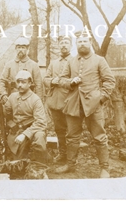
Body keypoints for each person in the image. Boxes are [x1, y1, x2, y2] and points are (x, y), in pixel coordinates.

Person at [55, 31, 116, 178]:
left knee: (99, 136)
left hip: (94, 106)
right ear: (76, 45)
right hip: (74, 105)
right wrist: (71, 82)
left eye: (84, 41)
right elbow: (61, 80)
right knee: (72, 136)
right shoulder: (71, 61)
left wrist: (101, 98)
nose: (82, 44)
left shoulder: (99, 60)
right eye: (79, 42)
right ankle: (70, 164)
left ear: (89, 43)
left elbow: (110, 81)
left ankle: (104, 168)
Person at [4, 70, 48, 164]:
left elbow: (41, 122)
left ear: (30, 83)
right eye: (18, 82)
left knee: (39, 138)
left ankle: (40, 166)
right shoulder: (12, 96)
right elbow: (6, 113)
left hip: (33, 130)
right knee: (17, 162)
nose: (20, 85)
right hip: (17, 130)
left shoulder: (35, 99)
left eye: (23, 82)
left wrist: (25, 134)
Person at [43, 35, 73, 164]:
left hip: (69, 102)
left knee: (71, 131)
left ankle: (71, 157)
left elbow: (77, 80)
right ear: (59, 45)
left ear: (71, 45)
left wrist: (62, 81)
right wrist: (52, 81)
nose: (64, 45)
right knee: (59, 129)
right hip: (55, 102)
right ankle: (62, 154)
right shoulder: (53, 63)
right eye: (62, 43)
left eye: (66, 43)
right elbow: (45, 79)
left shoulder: (75, 61)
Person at [0, 37, 43, 104]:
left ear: (27, 49)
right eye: (18, 47)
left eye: (23, 47)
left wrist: (38, 101)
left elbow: (38, 85)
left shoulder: (34, 65)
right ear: (15, 49)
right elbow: (2, 81)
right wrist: (4, 94)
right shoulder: (9, 64)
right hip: (13, 98)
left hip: (29, 99)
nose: (20, 50)